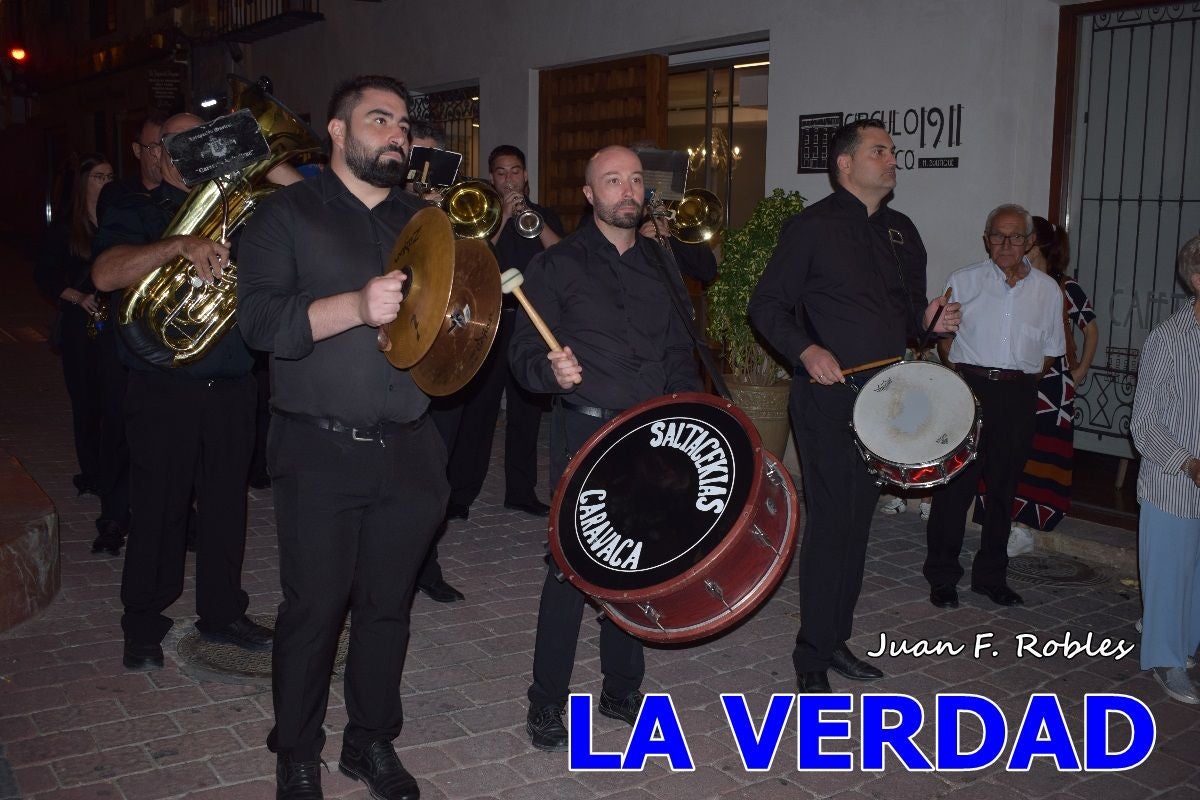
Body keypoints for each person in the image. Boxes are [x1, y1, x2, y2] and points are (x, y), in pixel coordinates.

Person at [238, 74, 441, 800]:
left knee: (388, 607)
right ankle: (296, 751)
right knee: (314, 609)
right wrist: (355, 306)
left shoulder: (425, 224)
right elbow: (259, 324)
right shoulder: (283, 215)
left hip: (412, 446)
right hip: (318, 446)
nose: (396, 134)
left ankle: (370, 742)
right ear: (335, 130)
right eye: (379, 119)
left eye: (403, 125)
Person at [748, 118, 957, 693]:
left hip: (887, 401)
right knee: (833, 519)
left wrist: (931, 321)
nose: (892, 160)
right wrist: (807, 348)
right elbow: (767, 307)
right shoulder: (811, 228)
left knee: (857, 522)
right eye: (879, 151)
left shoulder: (901, 232)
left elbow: (910, 315)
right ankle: (811, 656)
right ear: (844, 164)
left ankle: (834, 637)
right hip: (828, 398)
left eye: (892, 152)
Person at [510, 145, 701, 750]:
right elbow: (521, 354)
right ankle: (546, 699)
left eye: (636, 180)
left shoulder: (661, 263)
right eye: (612, 181)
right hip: (586, 429)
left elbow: (678, 353)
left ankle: (622, 687)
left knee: (639, 561)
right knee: (570, 569)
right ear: (589, 194)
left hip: (652, 434)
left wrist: (691, 418)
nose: (627, 190)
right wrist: (550, 373)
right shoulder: (557, 265)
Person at [92, 113, 274, 672]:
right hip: (161, 388)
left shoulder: (241, 208)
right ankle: (142, 621)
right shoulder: (132, 205)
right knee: (159, 508)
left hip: (232, 385)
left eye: (207, 139)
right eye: (185, 142)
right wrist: (178, 245)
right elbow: (104, 274)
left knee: (225, 506)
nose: (199, 150)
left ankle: (222, 613)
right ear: (162, 151)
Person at [923, 204, 1066, 610]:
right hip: (969, 390)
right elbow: (943, 340)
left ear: (1030, 241)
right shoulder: (963, 281)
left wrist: (1016, 380)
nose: (1006, 244)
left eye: (1015, 236)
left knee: (1004, 490)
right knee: (954, 488)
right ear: (986, 240)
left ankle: (991, 577)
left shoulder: (1047, 291)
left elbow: (1052, 352)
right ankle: (943, 576)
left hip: (1018, 395)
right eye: (997, 236)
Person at [434, 144, 563, 524]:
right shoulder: (480, 215)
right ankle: (460, 495)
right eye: (502, 172)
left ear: (526, 175)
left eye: (516, 171)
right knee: (479, 413)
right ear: (492, 177)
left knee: (526, 414)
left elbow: (561, 256)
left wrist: (531, 218)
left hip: (529, 324)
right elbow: (473, 258)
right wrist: (503, 216)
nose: (509, 179)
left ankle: (520, 493)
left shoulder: (543, 215)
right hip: (488, 322)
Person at [986, 216, 1098, 556]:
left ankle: (1027, 527)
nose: (1015, 245)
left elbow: (1090, 329)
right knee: (1012, 449)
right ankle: (1005, 520)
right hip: (1020, 382)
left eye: (1023, 239)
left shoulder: (1065, 285)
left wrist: (1079, 371)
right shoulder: (1018, 283)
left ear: (1036, 244)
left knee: (1043, 453)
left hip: (1053, 388)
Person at [1129, 235, 1200, 704]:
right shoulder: (1170, 339)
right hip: (1174, 482)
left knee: (1191, 580)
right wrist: (1189, 464)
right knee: (1171, 574)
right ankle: (1165, 660)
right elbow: (1144, 423)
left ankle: (1185, 647)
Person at [405, 118, 467, 604]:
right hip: (400, 348)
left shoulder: (457, 212)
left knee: (435, 475)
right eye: (414, 158)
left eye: (432, 161)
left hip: (445, 348)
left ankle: (427, 564)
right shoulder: (388, 212)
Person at [34, 154, 113, 517]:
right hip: (80, 329)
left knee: (114, 401)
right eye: (99, 176)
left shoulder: (116, 221)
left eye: (110, 175)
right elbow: (46, 278)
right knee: (85, 402)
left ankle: (113, 469)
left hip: (112, 326)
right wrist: (78, 296)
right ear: (85, 183)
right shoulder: (66, 229)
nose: (106, 181)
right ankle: (92, 472)